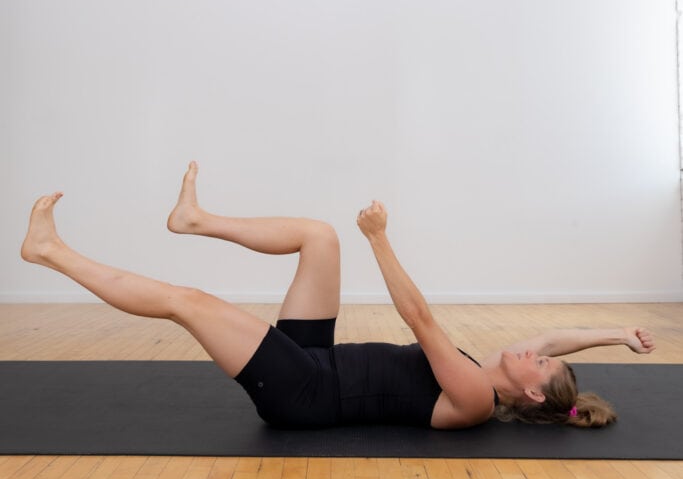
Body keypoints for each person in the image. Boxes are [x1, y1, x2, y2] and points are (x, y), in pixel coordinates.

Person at [20, 162, 655, 431]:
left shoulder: (475, 399)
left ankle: (49, 252)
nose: (535, 349)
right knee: (319, 239)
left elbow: (419, 316)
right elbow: (555, 339)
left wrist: (380, 238)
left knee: (191, 301)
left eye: (542, 363)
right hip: (318, 360)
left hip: (305, 394)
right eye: (542, 352)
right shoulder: (503, 369)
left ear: (534, 391)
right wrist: (617, 336)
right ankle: (194, 220)